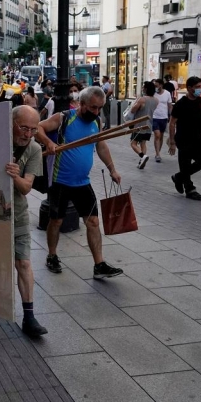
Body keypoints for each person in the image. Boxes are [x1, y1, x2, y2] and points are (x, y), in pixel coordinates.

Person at [37, 87, 124, 279]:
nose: (96, 112)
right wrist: (49, 143)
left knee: (93, 221)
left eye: (99, 108)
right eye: (93, 107)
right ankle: (52, 255)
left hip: (83, 183)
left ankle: (99, 265)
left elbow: (101, 145)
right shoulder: (64, 118)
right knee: (56, 220)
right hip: (60, 181)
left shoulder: (97, 122)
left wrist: (112, 169)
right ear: (81, 104)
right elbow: (38, 128)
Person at [6, 106, 47, 338]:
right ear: (12, 123)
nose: (28, 134)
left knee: (23, 263)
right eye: (24, 128)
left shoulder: (33, 149)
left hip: (18, 214)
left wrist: (15, 175)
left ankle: (29, 317)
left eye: (33, 129)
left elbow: (26, 187)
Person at [168, 76, 201, 201]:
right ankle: (190, 189)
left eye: (200, 87)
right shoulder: (181, 104)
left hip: (198, 138)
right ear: (189, 88)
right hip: (183, 139)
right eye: (197, 87)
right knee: (185, 164)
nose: (199, 90)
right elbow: (172, 123)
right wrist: (172, 142)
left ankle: (179, 177)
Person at [128, 81, 158, 169]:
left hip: (139, 124)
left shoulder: (142, 99)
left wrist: (135, 102)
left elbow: (133, 110)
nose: (142, 89)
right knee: (143, 143)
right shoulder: (156, 100)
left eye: (143, 87)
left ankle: (142, 156)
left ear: (146, 89)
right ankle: (142, 162)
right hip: (149, 125)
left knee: (133, 143)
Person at [152, 78, 174, 162]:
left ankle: (158, 152)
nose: (155, 87)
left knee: (160, 136)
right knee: (157, 135)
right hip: (154, 117)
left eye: (156, 86)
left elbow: (170, 105)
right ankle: (157, 154)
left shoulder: (167, 93)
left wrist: (171, 116)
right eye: (154, 86)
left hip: (164, 117)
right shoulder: (153, 94)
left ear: (161, 85)